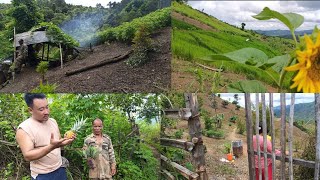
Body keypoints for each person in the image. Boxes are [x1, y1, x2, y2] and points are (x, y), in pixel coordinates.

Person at [16, 93, 75, 180]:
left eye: (47, 107)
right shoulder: (24, 129)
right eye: (41, 109)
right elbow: (28, 156)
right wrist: (51, 147)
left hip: (60, 168)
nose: (46, 112)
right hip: (43, 175)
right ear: (30, 110)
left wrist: (65, 141)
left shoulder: (53, 121)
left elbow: (57, 143)